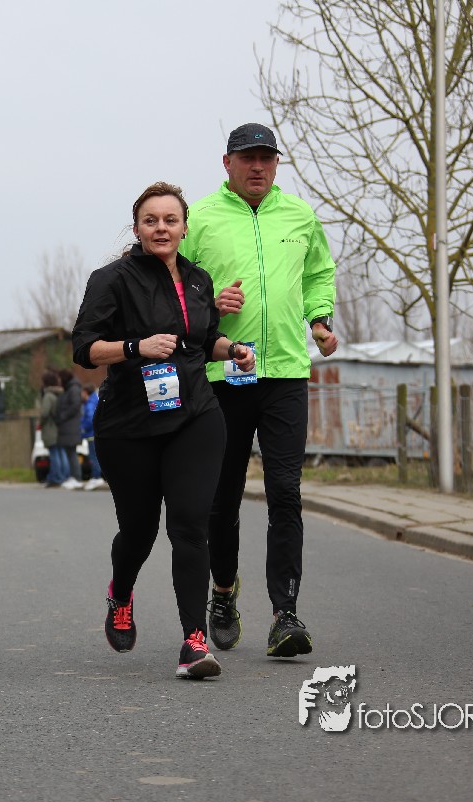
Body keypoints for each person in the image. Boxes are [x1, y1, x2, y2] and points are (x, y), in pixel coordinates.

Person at [72, 181, 254, 680]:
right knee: (139, 530)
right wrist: (136, 347)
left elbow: (204, 339)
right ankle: (121, 594)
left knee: (190, 525)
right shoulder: (111, 280)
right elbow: (84, 349)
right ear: (136, 228)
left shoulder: (198, 280)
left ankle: (194, 642)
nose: (161, 228)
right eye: (150, 220)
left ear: (184, 228)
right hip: (130, 424)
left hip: (195, 414)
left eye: (170, 220)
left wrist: (234, 350)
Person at [179, 123, 338, 658]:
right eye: (248, 158)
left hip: (286, 373)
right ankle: (223, 592)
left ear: (276, 164)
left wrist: (320, 319)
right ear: (227, 163)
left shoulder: (300, 216)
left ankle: (284, 613)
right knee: (222, 498)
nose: (258, 167)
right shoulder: (200, 218)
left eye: (267, 159)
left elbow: (318, 273)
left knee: (285, 493)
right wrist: (208, 305)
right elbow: (174, 287)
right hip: (224, 375)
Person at [55, 368, 84, 489]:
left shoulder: (73, 389)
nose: (58, 381)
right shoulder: (69, 389)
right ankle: (73, 476)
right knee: (69, 453)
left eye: (59, 378)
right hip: (67, 427)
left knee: (72, 453)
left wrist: (62, 416)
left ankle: (77, 478)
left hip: (71, 427)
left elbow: (75, 406)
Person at [37, 370, 65, 487]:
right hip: (60, 427)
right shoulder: (60, 394)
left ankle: (56, 478)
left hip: (50, 428)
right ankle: (63, 475)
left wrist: (40, 423)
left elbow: (44, 413)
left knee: (54, 454)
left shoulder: (48, 396)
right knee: (61, 452)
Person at [80, 382, 105, 491]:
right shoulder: (95, 400)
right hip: (96, 433)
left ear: (86, 392)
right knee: (96, 456)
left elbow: (90, 418)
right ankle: (97, 476)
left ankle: (96, 477)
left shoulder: (89, 403)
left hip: (91, 434)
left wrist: (83, 428)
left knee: (93, 457)